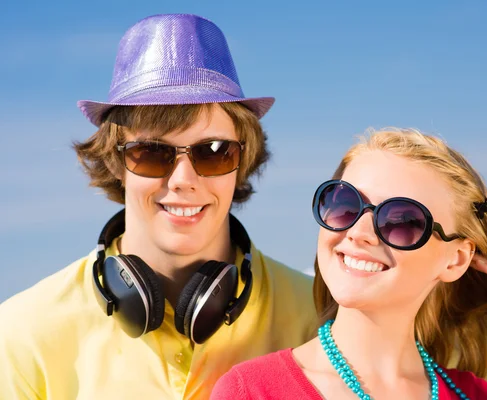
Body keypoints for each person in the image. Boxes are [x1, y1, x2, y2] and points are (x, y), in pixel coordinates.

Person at [0, 13, 317, 399]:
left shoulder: (320, 321)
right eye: (151, 152)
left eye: (213, 152)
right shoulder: (22, 334)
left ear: (242, 161)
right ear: (117, 163)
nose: (183, 179)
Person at [210, 128, 487, 399]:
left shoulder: (477, 395)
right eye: (344, 204)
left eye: (401, 221)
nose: (359, 232)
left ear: (455, 260)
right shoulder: (252, 391)